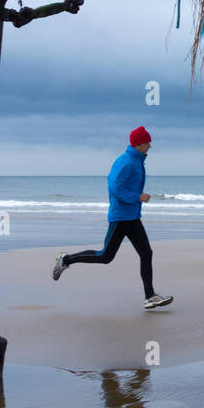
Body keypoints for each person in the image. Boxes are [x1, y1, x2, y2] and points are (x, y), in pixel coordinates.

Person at [52, 126, 173, 309]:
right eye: (147, 142)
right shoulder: (126, 161)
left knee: (146, 253)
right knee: (105, 256)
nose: (150, 146)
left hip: (132, 217)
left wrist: (136, 200)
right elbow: (115, 187)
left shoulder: (137, 160)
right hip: (120, 218)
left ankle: (150, 296)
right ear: (139, 144)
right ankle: (65, 260)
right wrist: (138, 197)